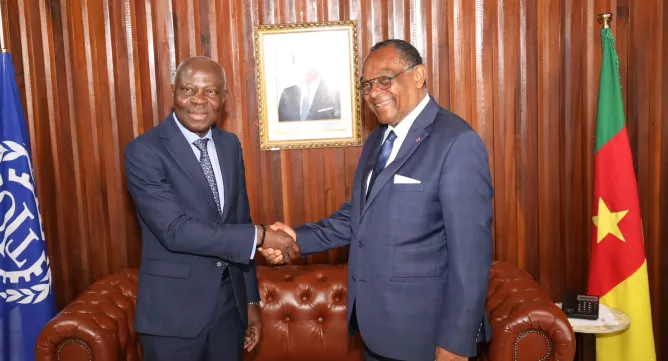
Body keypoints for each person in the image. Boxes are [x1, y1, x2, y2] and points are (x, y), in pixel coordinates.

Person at [262, 39, 494, 361]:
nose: (373, 92)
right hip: (376, 331)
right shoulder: (378, 139)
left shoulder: (457, 142)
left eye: (384, 79)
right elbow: (358, 216)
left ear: (418, 76)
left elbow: (472, 256)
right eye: (366, 84)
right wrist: (295, 238)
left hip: (426, 337)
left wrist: (455, 343)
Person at [124, 56, 298, 361]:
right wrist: (261, 237)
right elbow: (175, 231)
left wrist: (251, 305)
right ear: (173, 92)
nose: (199, 101)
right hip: (172, 318)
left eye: (211, 92)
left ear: (224, 98)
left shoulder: (230, 145)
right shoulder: (145, 151)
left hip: (229, 314)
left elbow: (239, 220)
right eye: (188, 90)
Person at [277, 52, 340, 121]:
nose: (308, 66)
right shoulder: (286, 94)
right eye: (303, 58)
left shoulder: (335, 94)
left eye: (313, 59)